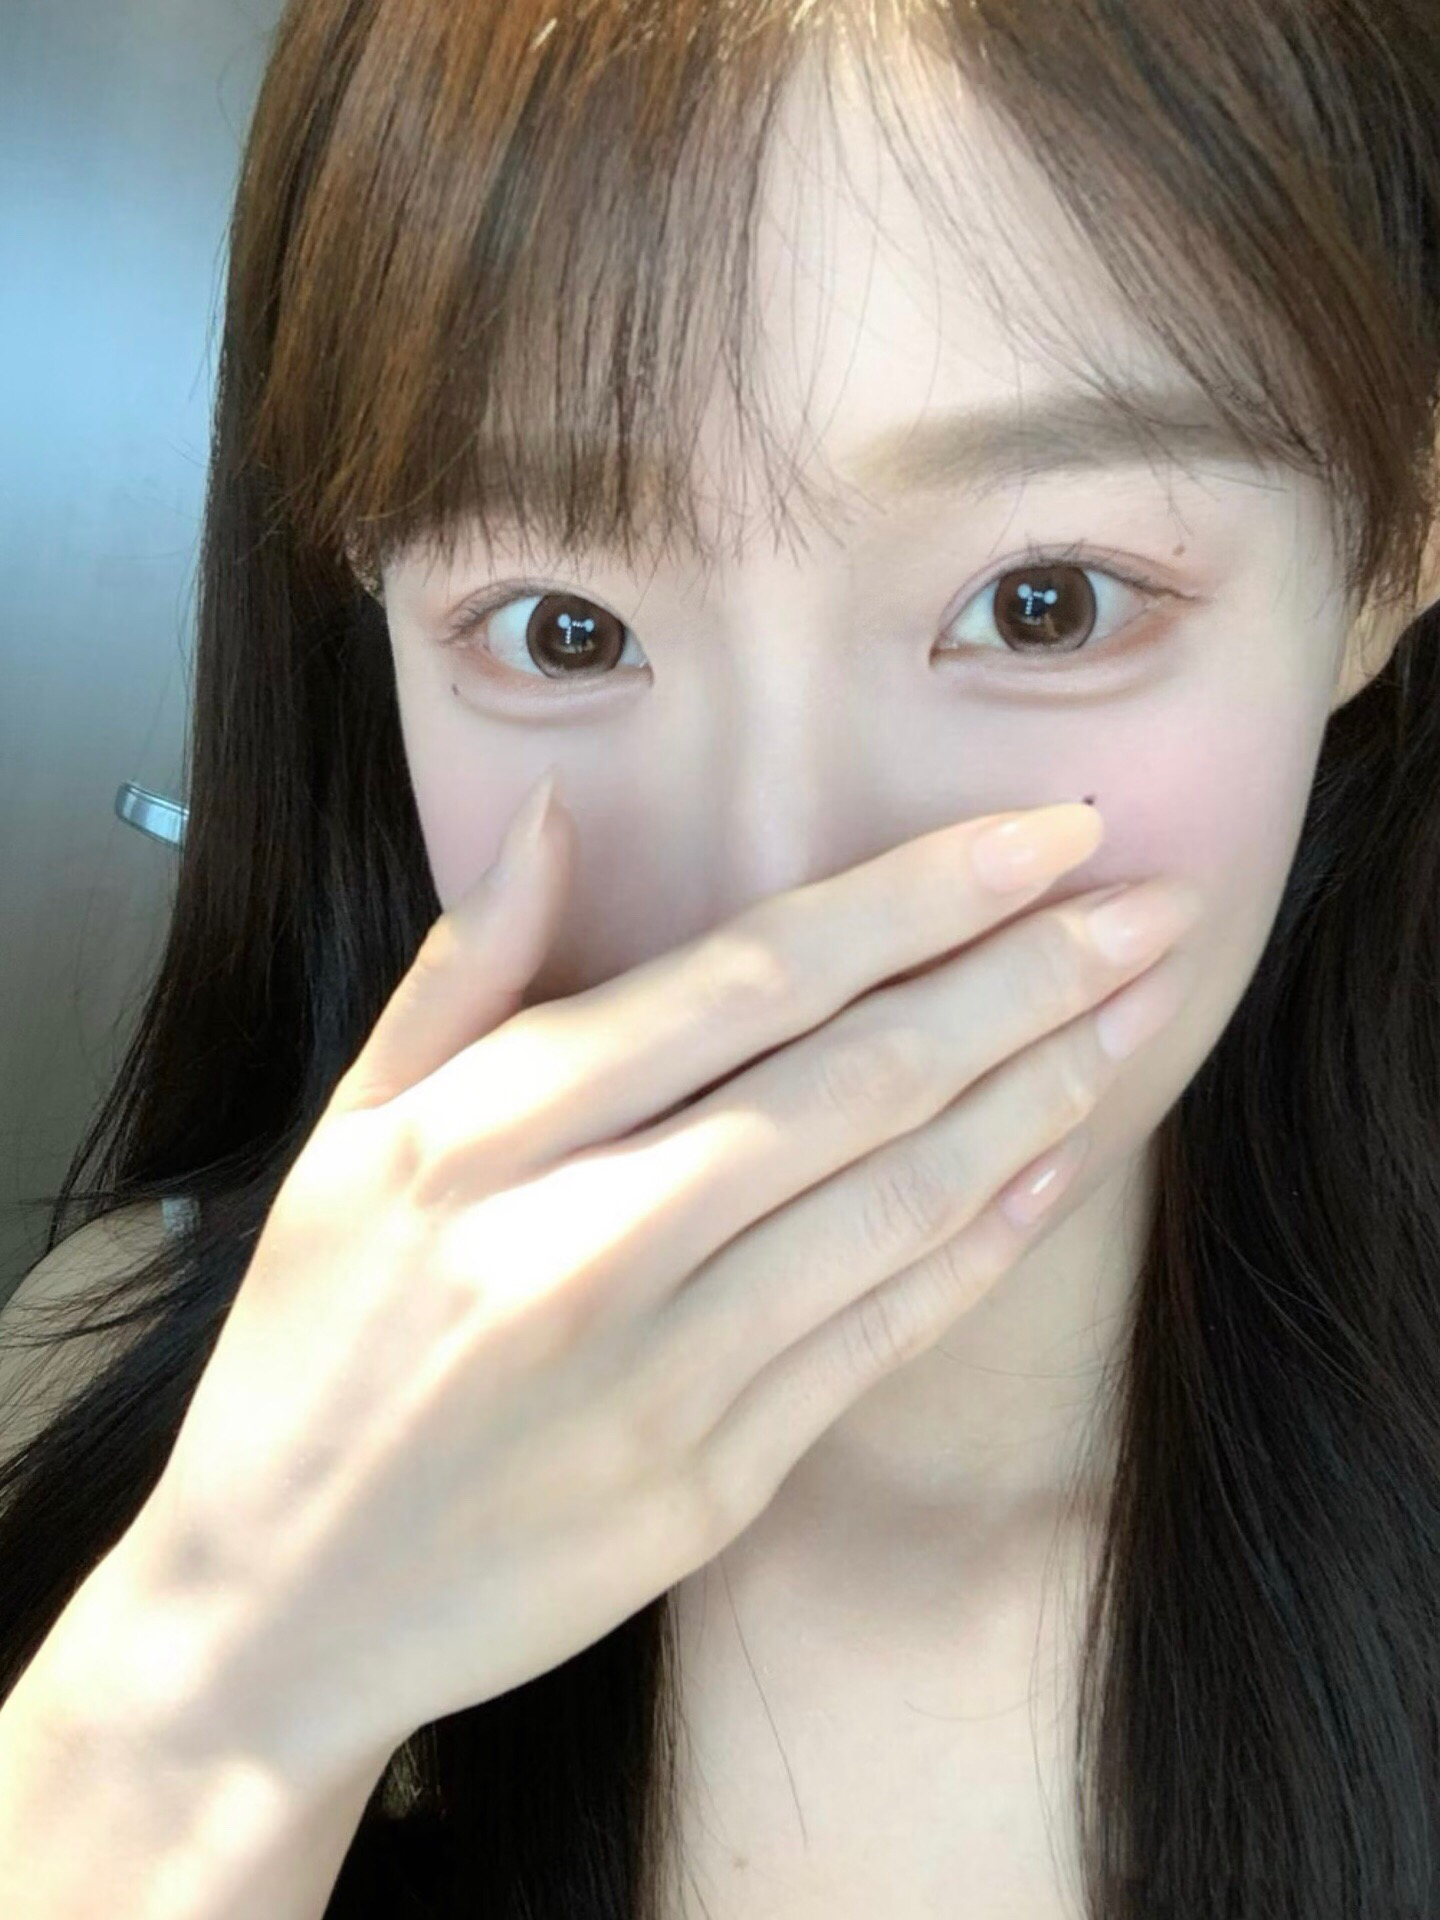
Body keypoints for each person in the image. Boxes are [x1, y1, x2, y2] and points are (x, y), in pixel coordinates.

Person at [3, 1, 1440, 1915]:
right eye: (568, 630)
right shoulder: (100, 1452)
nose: (778, 895)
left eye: (1045, 604)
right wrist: (210, 1717)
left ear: (1394, 547)